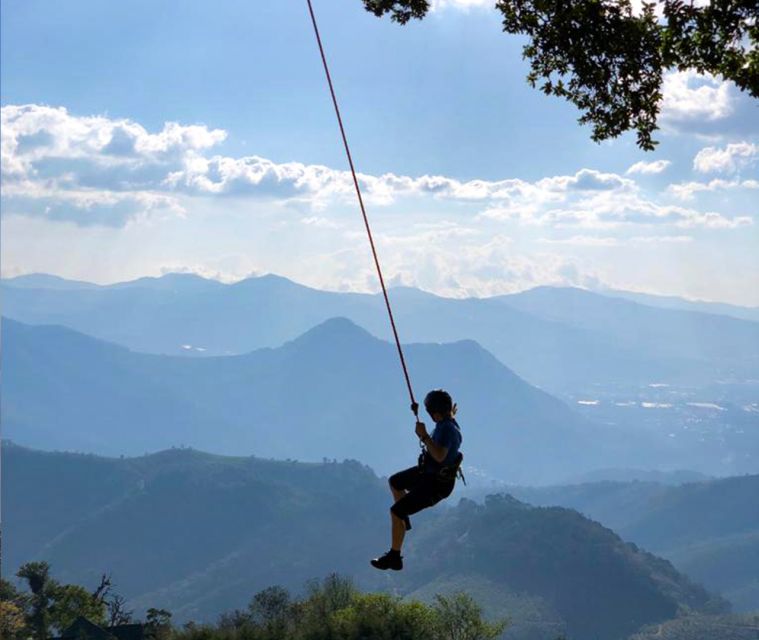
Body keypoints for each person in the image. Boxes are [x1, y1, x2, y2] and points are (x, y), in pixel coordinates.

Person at [371, 389, 463, 571]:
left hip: (436, 484)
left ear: (434, 414)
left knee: (396, 511)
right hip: (428, 473)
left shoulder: (447, 429)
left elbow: (439, 455)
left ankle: (394, 557)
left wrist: (424, 436)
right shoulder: (447, 421)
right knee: (395, 482)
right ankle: (403, 521)